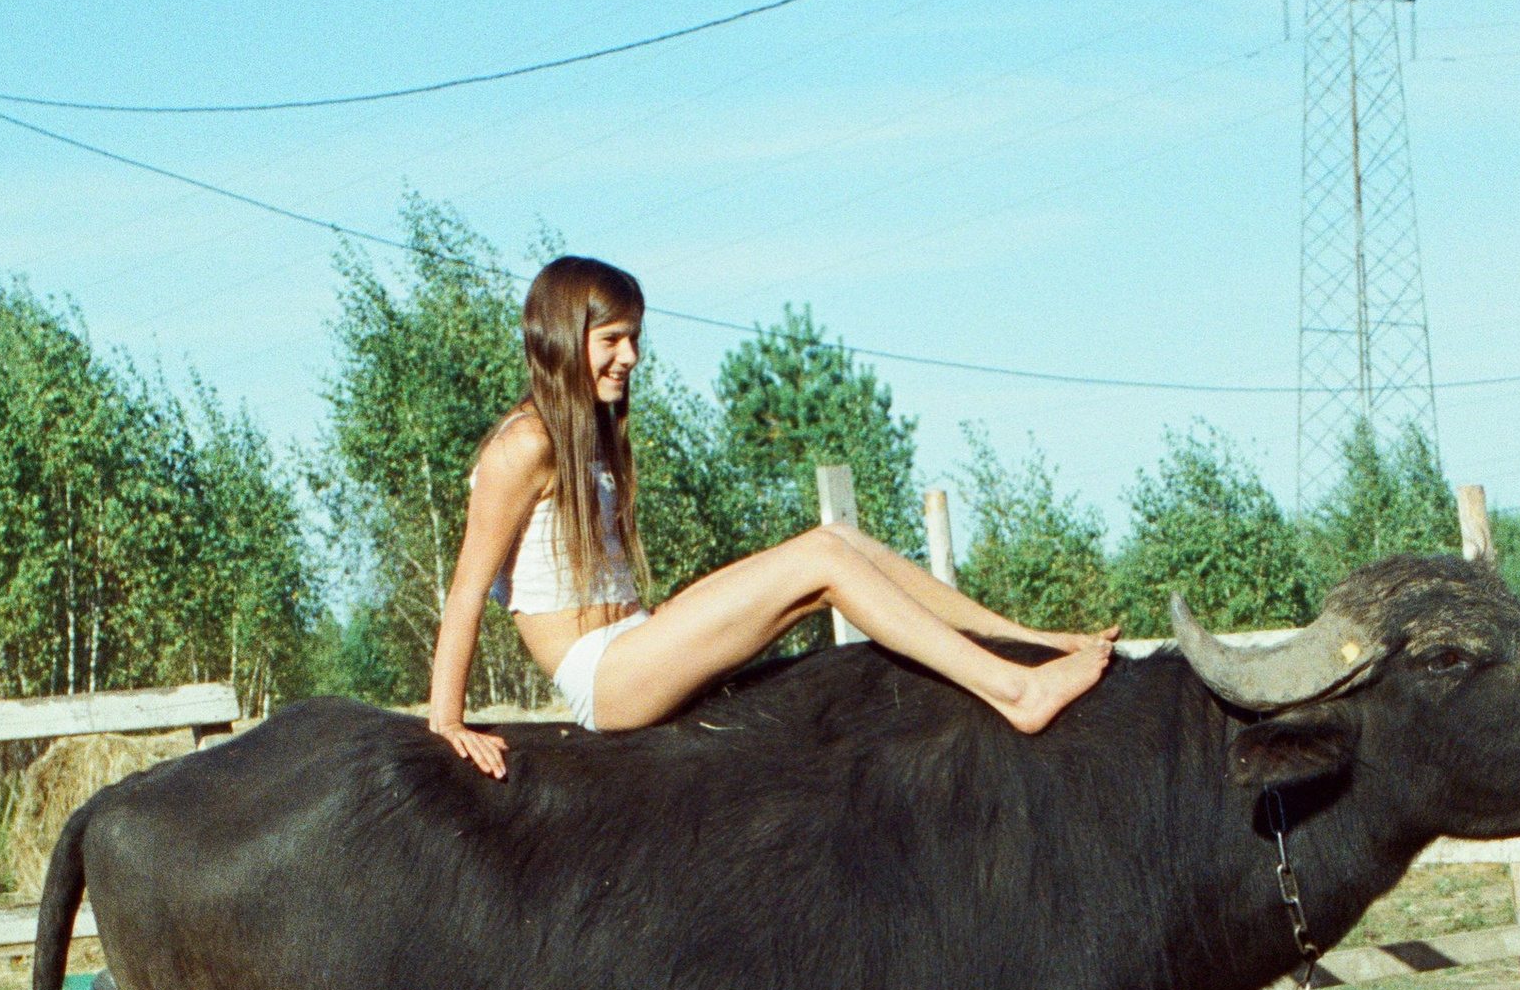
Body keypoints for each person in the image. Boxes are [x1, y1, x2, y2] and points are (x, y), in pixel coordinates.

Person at [425, 255, 1116, 777]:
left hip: (638, 638)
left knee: (836, 539)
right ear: (559, 336)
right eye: (611, 339)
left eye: (633, 338)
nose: (630, 357)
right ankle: (1016, 691)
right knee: (820, 564)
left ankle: (1027, 643)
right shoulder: (523, 444)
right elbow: (464, 593)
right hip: (604, 677)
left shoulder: (589, 436)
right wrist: (445, 721)